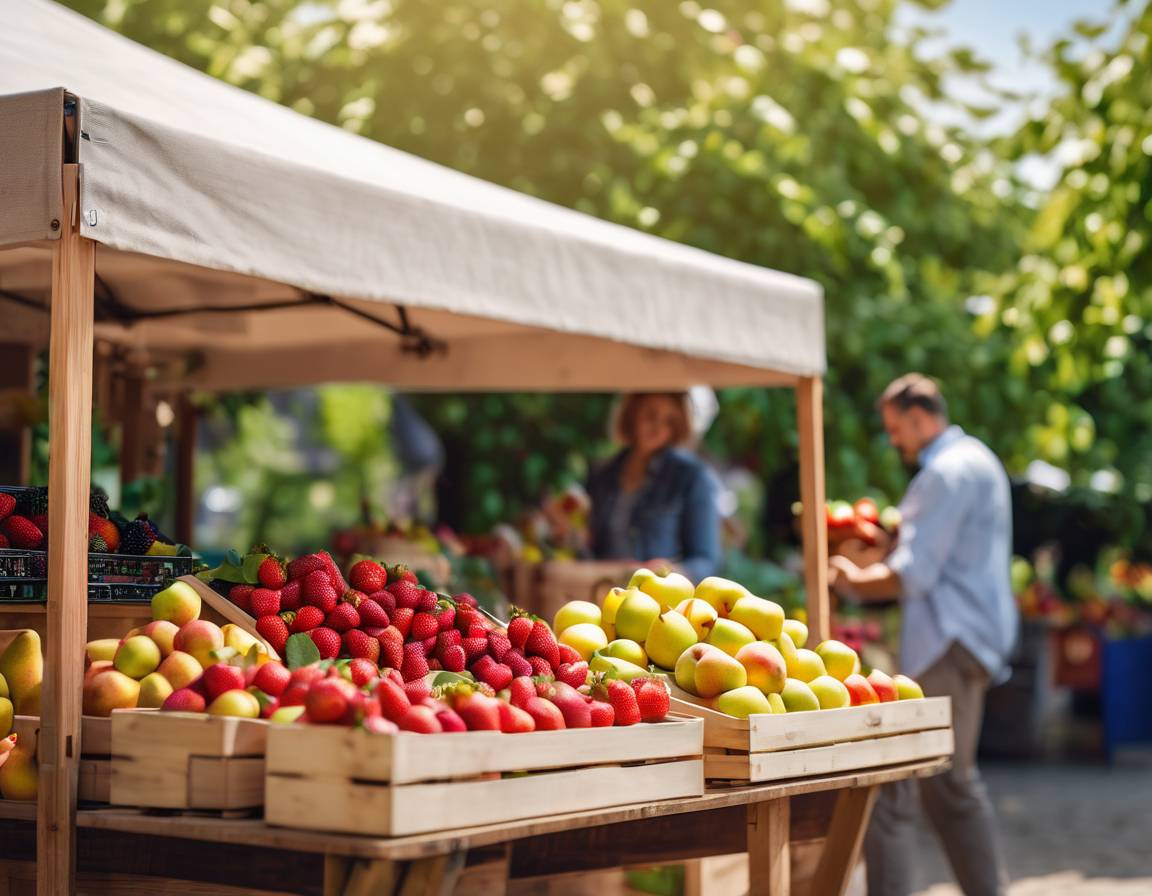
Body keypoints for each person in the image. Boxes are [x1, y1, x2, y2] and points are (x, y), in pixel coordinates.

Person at [828, 373, 1016, 896]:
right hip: (971, 637)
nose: (893, 440)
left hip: (948, 642)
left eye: (895, 428)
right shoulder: (977, 459)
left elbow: (913, 573)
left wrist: (846, 579)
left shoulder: (943, 473)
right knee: (949, 788)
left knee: (896, 787)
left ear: (918, 417)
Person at [585, 392, 721, 582]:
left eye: (669, 422)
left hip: (658, 600)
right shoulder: (603, 474)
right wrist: (569, 535)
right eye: (651, 415)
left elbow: (705, 560)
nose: (658, 428)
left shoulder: (692, 477)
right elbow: (591, 550)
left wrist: (670, 571)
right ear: (632, 414)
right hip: (602, 594)